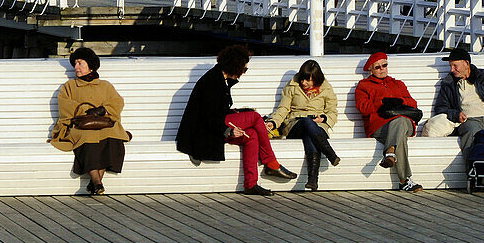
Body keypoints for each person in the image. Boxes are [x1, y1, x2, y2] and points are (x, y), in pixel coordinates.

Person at [176, 45, 296, 196]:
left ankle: (251, 184)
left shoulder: (221, 79)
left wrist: (242, 113)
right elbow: (207, 117)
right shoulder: (212, 81)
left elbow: (219, 110)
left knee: (251, 135)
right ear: (235, 66)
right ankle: (271, 163)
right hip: (203, 132)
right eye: (244, 69)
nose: (244, 73)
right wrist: (228, 131)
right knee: (255, 117)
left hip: (213, 125)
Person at [49, 47, 131, 195]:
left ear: (90, 65)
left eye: (80, 63)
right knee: (87, 138)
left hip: (104, 124)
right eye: (75, 64)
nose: (76, 67)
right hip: (80, 125)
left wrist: (102, 110)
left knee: (113, 137)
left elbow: (117, 102)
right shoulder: (70, 86)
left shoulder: (105, 85)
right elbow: (65, 106)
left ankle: (94, 183)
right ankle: (98, 182)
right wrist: (86, 111)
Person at [423, 47, 484, 164]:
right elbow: (441, 107)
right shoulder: (449, 83)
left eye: (455, 66)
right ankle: (474, 174)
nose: (452, 70)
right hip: (469, 121)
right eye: (451, 66)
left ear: (466, 63)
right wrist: (456, 115)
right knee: (472, 134)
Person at [353, 52, 423, 192]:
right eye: (377, 67)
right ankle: (404, 180)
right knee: (400, 134)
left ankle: (390, 153)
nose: (382, 69)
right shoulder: (364, 86)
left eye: (384, 65)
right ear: (371, 70)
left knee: (401, 121)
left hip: (404, 123)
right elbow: (363, 108)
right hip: (380, 126)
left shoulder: (397, 84)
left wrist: (400, 101)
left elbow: (413, 103)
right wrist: (383, 104)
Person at [266, 60, 339, 191]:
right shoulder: (292, 87)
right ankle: (330, 153)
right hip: (295, 124)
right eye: (302, 79)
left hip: (318, 126)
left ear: (316, 79)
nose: (304, 83)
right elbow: (283, 108)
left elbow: (332, 111)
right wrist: (273, 122)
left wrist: (324, 118)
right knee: (306, 122)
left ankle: (312, 180)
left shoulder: (326, 89)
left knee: (309, 135)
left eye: (308, 80)